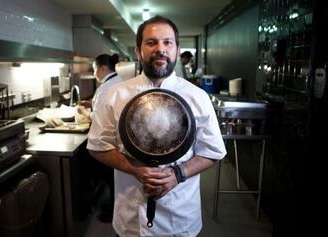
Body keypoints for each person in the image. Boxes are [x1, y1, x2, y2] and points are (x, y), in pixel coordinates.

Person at [87, 15, 226, 236]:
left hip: (180, 218)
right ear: (138, 51)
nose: (160, 48)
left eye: (167, 42)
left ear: (177, 51)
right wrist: (133, 169)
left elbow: (213, 151)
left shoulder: (197, 97)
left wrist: (178, 174)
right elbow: (96, 145)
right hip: (130, 218)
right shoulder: (116, 94)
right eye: (151, 42)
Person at [79, 53, 124, 223]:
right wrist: (91, 104)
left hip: (109, 142)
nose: (94, 73)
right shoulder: (115, 81)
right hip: (115, 140)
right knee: (111, 177)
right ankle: (112, 205)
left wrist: (85, 112)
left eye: (95, 69)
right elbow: (106, 107)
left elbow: (98, 117)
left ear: (103, 68)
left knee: (107, 175)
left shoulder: (106, 87)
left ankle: (112, 209)